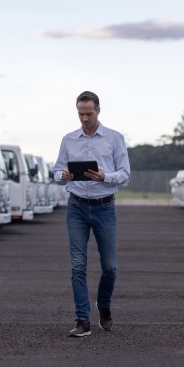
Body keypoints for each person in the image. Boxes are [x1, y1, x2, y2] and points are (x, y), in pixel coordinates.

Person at [52, 91, 131, 337]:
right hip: (76, 206)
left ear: (98, 111)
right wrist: (62, 176)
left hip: (104, 206)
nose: (84, 119)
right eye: (80, 114)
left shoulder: (114, 138)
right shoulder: (68, 140)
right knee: (78, 266)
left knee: (110, 267)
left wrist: (104, 176)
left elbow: (125, 174)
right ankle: (82, 320)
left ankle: (104, 305)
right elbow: (56, 171)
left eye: (88, 114)